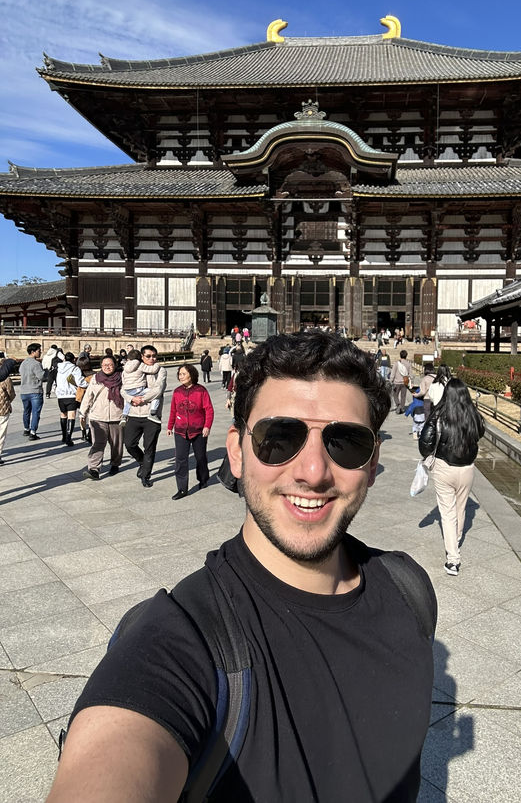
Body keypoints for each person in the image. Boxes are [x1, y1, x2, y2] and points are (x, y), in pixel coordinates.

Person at [47, 331, 437, 803]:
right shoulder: (179, 643)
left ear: (372, 464)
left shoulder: (409, 591)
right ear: (236, 452)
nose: (313, 471)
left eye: (346, 443)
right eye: (279, 438)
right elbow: (120, 746)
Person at [418, 377, 485, 576]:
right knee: (460, 508)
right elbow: (480, 433)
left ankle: (453, 559)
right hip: (467, 468)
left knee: (447, 513)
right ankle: (455, 541)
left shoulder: (439, 414)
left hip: (444, 467)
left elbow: (425, 441)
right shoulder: (473, 415)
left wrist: (428, 455)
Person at [123, 345, 167, 488]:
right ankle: (142, 461)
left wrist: (141, 399)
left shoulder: (160, 370)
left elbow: (158, 389)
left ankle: (146, 475)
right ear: (142, 357)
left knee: (149, 447)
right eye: (148, 356)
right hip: (134, 414)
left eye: (154, 356)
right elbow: (122, 389)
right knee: (129, 444)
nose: (151, 359)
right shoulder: (134, 368)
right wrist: (131, 399)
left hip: (151, 416)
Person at [167, 363, 213, 500]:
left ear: (191, 375)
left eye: (183, 374)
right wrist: (170, 426)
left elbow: (209, 410)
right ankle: (182, 489)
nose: (181, 377)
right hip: (180, 431)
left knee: (201, 457)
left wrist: (207, 426)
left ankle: (203, 479)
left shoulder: (201, 391)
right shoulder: (177, 392)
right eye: (179, 374)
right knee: (180, 460)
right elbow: (173, 410)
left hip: (198, 430)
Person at [79, 356, 124, 480]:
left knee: (116, 444)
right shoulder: (96, 378)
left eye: (110, 364)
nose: (107, 367)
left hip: (117, 416)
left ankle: (115, 464)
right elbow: (88, 396)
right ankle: (94, 469)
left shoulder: (122, 377)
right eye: (104, 365)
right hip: (98, 416)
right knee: (98, 443)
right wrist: (83, 413)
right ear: (101, 366)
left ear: (115, 365)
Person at [119, 350, 162, 427]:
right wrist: (157, 364)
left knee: (128, 401)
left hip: (127, 390)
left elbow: (123, 380)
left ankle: (124, 416)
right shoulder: (139, 364)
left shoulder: (125, 367)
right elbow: (152, 370)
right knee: (155, 394)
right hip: (138, 389)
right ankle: (153, 413)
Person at [55, 352, 87, 446]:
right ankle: (68, 438)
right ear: (73, 360)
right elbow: (79, 382)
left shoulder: (59, 368)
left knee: (63, 414)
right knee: (71, 415)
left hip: (60, 395)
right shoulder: (74, 368)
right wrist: (88, 384)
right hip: (71, 394)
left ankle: (64, 436)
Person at [19, 343, 44, 440]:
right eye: (39, 351)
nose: (40, 352)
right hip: (35, 391)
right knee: (35, 412)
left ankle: (26, 429)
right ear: (33, 352)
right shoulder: (36, 364)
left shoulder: (23, 363)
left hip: (24, 391)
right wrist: (46, 372)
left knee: (26, 411)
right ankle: (33, 432)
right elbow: (41, 376)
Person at [76, 356, 95, 443]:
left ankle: (83, 434)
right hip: (92, 397)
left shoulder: (79, 375)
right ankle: (90, 434)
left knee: (82, 416)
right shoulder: (94, 375)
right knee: (91, 416)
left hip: (82, 397)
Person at [0, 361, 16, 463]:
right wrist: (7, 401)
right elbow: (11, 394)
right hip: (3, 409)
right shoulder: (6, 379)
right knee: (1, 432)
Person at [390, 348, 411, 414]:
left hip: (396, 382)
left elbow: (393, 373)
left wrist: (391, 380)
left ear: (400, 355)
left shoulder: (396, 363)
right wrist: (411, 382)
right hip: (405, 382)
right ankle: (402, 408)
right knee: (403, 396)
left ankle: (398, 405)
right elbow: (410, 374)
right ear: (406, 356)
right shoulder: (408, 364)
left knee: (395, 395)